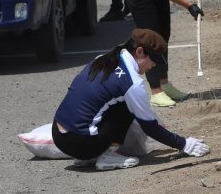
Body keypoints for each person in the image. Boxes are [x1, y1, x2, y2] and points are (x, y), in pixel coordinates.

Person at [52, 28, 210, 171]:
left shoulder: (104, 58)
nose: (153, 66)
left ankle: (86, 157)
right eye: (153, 60)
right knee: (127, 106)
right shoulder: (132, 82)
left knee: (112, 102)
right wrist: (184, 144)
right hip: (80, 144)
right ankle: (106, 156)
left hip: (58, 134)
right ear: (140, 52)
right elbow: (150, 127)